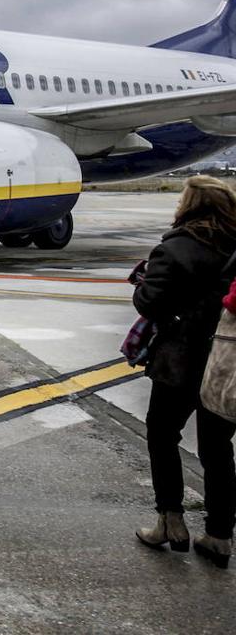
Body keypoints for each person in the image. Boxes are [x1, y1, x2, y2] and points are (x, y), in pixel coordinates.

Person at [133, 176, 236, 568]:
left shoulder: (175, 248)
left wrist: (143, 282)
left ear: (188, 206)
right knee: (217, 449)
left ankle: (170, 521)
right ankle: (220, 535)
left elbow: (149, 302)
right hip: (225, 362)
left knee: (162, 434)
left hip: (180, 360)